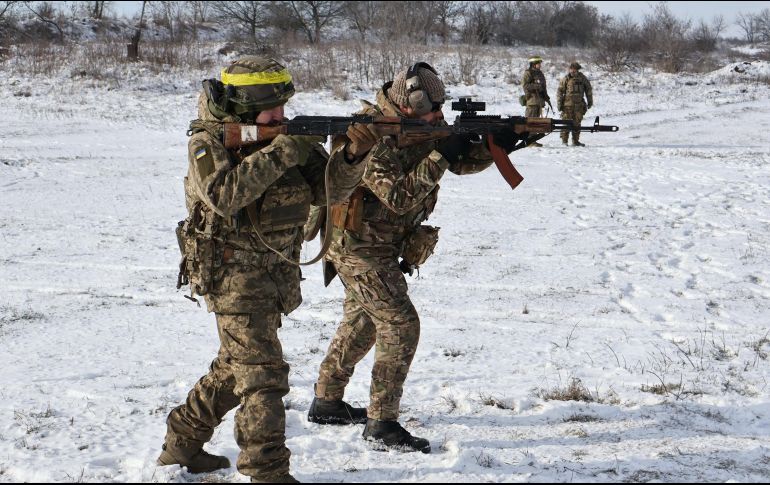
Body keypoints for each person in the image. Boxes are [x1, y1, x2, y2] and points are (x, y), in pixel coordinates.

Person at [156, 56, 369, 483]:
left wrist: (351, 156)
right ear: (246, 109)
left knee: (235, 370)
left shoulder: (285, 138)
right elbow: (223, 194)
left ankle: (181, 443)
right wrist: (283, 149)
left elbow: (326, 191)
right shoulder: (207, 142)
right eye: (272, 111)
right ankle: (266, 471)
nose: (281, 117)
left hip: (272, 276)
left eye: (283, 108)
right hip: (232, 278)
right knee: (264, 377)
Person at [307, 62, 519, 453]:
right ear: (406, 107)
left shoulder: (416, 127)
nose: (439, 117)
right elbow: (399, 195)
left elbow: (459, 162)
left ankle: (327, 401)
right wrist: (442, 153)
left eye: (440, 111)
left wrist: (499, 145)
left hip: (381, 245)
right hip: (357, 248)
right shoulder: (367, 134)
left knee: (364, 324)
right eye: (432, 112)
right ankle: (382, 423)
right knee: (401, 326)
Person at [557, 61, 593, 147]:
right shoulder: (566, 78)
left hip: (579, 105)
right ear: (570, 69)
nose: (573, 71)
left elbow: (588, 90)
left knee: (577, 123)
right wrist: (559, 103)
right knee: (566, 123)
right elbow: (560, 91)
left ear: (578, 70)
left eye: (575, 70)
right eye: (572, 69)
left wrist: (590, 101)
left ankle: (575, 141)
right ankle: (564, 141)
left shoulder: (582, 78)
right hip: (567, 106)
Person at [521, 55, 551, 147]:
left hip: (539, 101)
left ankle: (532, 140)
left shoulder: (540, 73)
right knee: (530, 120)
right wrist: (536, 86)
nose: (540, 65)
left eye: (540, 63)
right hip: (532, 101)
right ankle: (528, 140)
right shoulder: (528, 73)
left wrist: (546, 98)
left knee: (536, 122)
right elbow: (525, 86)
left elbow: (543, 88)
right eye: (538, 63)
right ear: (533, 64)